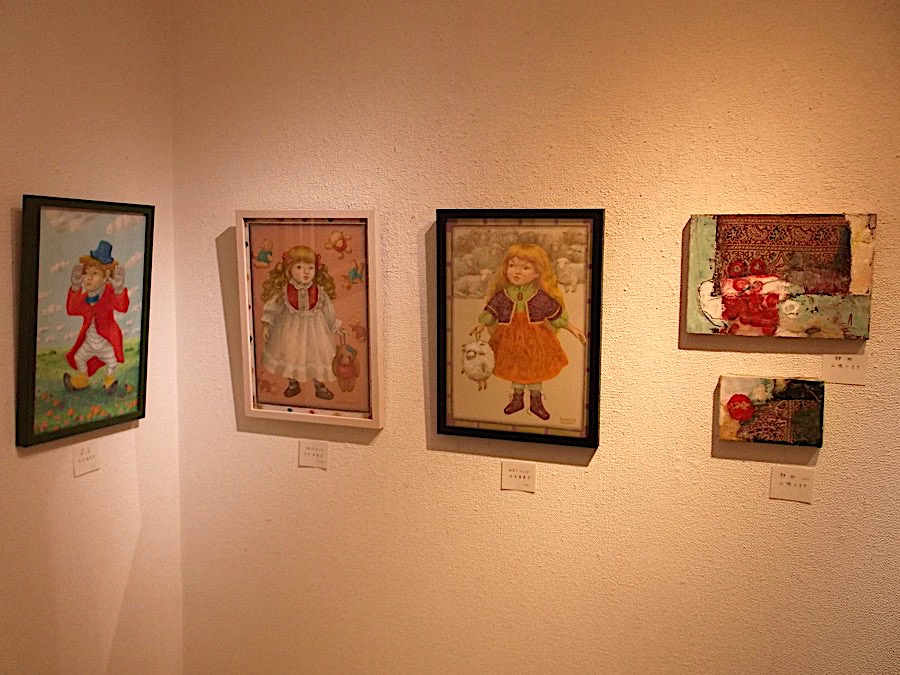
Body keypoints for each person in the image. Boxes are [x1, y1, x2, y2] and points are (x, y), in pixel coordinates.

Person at [471, 242, 585, 420]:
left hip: (536, 338)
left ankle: (536, 401)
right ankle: (517, 399)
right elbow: (491, 311)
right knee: (516, 366)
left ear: (538, 272)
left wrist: (571, 328)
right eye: (512, 266)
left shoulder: (540, 297)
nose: (517, 272)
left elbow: (555, 314)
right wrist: (482, 324)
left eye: (525, 268)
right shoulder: (503, 295)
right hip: (509, 338)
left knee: (534, 366)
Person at [260, 245, 342, 399]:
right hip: (290, 329)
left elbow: (328, 310)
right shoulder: (284, 291)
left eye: (310, 268)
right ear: (289, 269)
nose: (305, 272)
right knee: (291, 353)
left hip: (315, 331)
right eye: (299, 267)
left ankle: (319, 386)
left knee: (316, 356)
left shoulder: (319, 291)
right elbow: (272, 307)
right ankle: (293, 383)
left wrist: (333, 325)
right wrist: (267, 324)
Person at [64, 240, 129, 394]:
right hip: (89, 341)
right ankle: (82, 380)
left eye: (94, 273)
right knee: (79, 358)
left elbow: (122, 307)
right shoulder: (86, 296)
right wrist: (75, 287)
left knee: (111, 362)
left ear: (106, 276)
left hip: (104, 342)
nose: (88, 278)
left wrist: (119, 290)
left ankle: (109, 382)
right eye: (86, 273)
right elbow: (72, 309)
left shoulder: (109, 294)